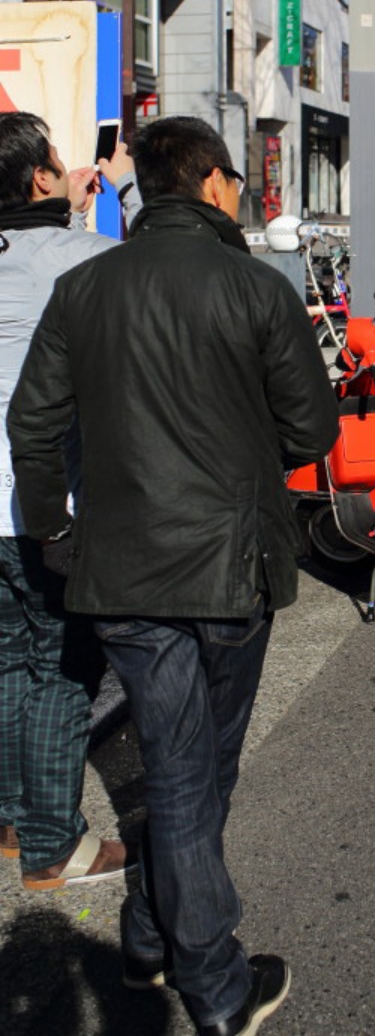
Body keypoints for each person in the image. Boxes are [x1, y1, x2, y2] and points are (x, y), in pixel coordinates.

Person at [8, 117, 339, 1036]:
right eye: (232, 178)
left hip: (120, 569)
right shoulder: (257, 288)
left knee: (180, 768)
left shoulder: (85, 286)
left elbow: (32, 425)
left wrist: (52, 532)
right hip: (232, 569)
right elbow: (313, 433)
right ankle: (217, 986)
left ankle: (151, 938)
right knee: (198, 776)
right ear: (212, 184)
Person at [0, 110, 140, 890]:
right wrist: (116, 191)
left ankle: (15, 821)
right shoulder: (92, 259)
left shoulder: (66, 247)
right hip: (47, 508)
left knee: (4, 661)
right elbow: (169, 276)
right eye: (55, 159)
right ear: (40, 178)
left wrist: (69, 210)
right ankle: (56, 843)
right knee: (59, 667)